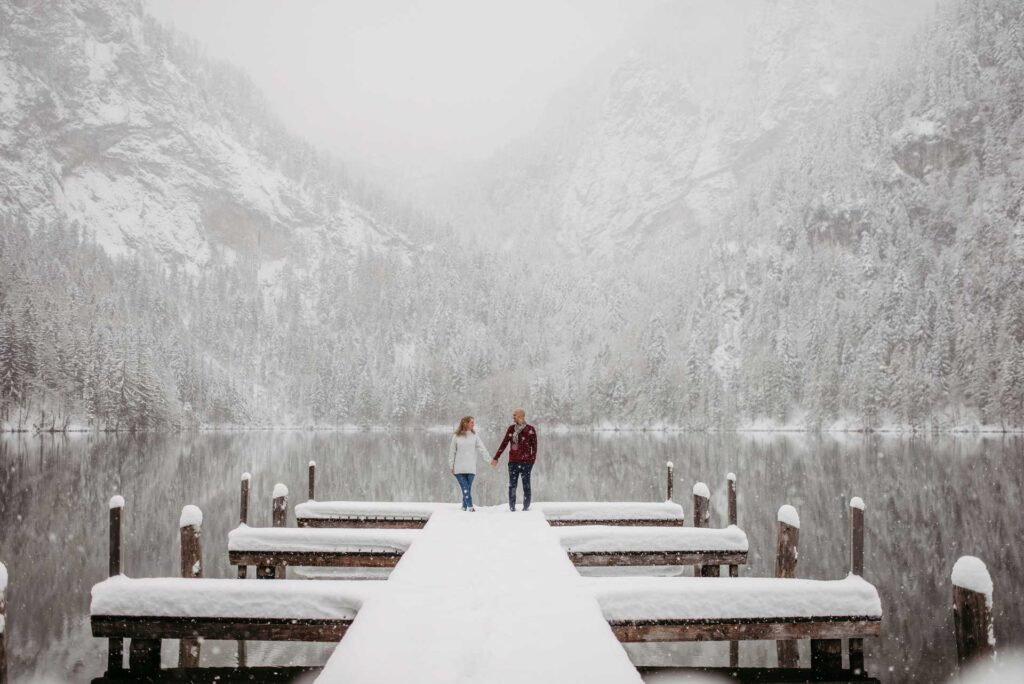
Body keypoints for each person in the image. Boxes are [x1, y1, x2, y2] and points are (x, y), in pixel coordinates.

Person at [490, 407, 537, 511]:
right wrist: (496, 457)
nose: (513, 417)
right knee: (512, 486)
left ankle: (526, 507)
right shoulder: (511, 429)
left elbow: (534, 448)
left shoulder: (530, 429)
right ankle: (512, 507)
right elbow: (504, 443)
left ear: (520, 416)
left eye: (514, 415)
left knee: (526, 486)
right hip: (513, 463)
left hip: (526, 463)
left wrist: (531, 461)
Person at [448, 416, 490, 511]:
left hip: (471, 468)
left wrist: (489, 459)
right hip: (458, 468)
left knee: (467, 489)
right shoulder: (456, 436)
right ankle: (470, 507)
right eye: (471, 422)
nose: (473, 424)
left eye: (473, 422)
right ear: (465, 423)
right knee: (465, 487)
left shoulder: (474, 436)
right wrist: (451, 465)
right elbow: (452, 452)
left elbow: (482, 449)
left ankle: (464, 507)